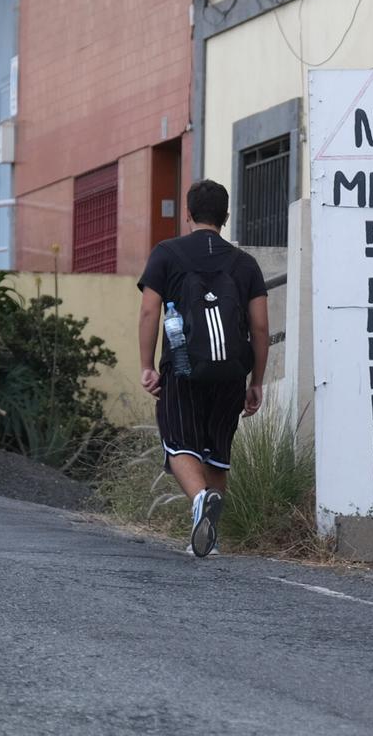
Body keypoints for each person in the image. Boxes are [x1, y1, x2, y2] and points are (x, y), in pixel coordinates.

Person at [137, 179, 270, 557]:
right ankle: (209, 535)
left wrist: (147, 365)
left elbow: (150, 310)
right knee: (216, 452)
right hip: (231, 372)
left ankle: (199, 500)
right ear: (226, 217)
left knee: (180, 442)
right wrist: (256, 380)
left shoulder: (166, 253)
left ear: (188, 213)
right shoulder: (245, 264)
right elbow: (260, 326)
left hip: (182, 367)